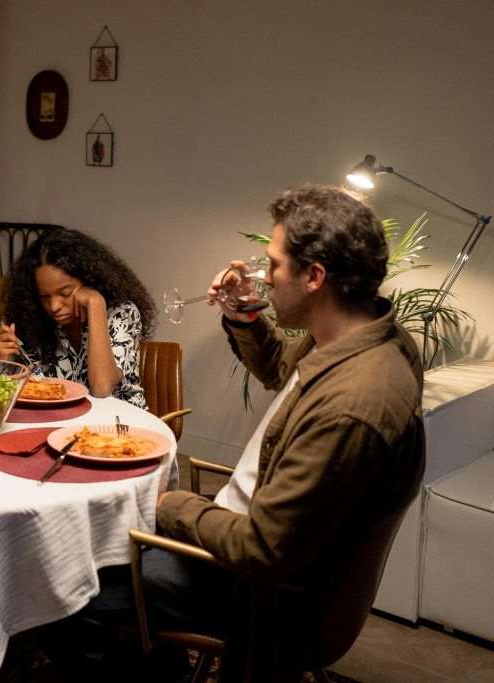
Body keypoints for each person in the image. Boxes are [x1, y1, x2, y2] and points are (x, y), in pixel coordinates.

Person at [65, 184, 425, 681]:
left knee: (70, 596)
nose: (265, 275)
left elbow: (261, 550)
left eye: (274, 265)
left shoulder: (354, 405)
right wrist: (244, 313)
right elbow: (282, 368)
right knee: (101, 556)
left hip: (260, 597)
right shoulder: (362, 335)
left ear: (315, 276)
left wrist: (173, 508)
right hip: (245, 542)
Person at [0, 228, 157, 408]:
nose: (54, 306)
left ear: (90, 280)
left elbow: (102, 387)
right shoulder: (31, 316)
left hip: (120, 427)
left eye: (65, 293)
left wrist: (96, 303)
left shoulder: (121, 313)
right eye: (44, 295)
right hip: (59, 423)